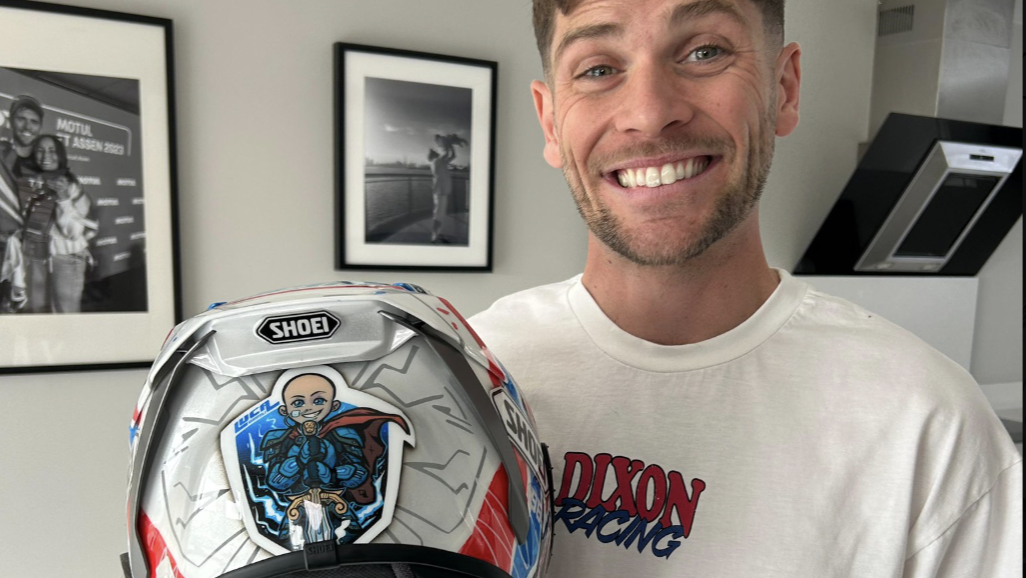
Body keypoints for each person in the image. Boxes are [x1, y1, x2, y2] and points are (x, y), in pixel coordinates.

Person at [469, 1, 1022, 576]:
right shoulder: (466, 377)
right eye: (598, 69)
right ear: (551, 120)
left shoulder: (927, 422)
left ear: (784, 88)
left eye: (704, 52)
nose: (649, 113)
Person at [17, 134, 96, 313]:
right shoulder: (30, 184)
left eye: (52, 151)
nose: (46, 156)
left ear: (60, 155)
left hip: (66, 259)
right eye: (40, 150)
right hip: (37, 258)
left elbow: (73, 232)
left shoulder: (71, 186)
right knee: (39, 313)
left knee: (64, 316)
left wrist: (63, 198)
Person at [0, 95, 43, 310]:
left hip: (29, 251)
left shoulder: (45, 163)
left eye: (34, 121)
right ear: (11, 121)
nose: (28, 126)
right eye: (21, 119)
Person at [427, 133, 465, 243]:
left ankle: (437, 234)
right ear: (433, 156)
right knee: (438, 215)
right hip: (440, 192)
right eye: (436, 152)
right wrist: (448, 143)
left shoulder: (441, 162)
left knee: (440, 215)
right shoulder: (436, 162)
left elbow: (453, 156)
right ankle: (434, 237)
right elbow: (448, 153)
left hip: (442, 192)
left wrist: (450, 145)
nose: (438, 152)